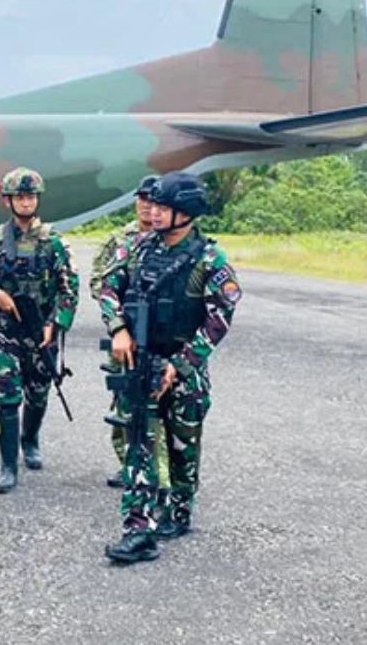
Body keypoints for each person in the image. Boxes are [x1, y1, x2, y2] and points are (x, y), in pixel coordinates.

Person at [98, 172, 241, 564]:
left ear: (187, 212)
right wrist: (118, 328)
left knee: (183, 448)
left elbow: (219, 318)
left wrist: (179, 366)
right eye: (153, 205)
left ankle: (179, 510)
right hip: (141, 362)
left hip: (184, 370)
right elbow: (108, 288)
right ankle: (138, 529)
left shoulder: (209, 259)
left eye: (164, 207)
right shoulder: (138, 248)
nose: (154, 212)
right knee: (138, 444)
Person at [0, 167, 78, 494]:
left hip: (41, 332)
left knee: (38, 392)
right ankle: (8, 465)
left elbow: (69, 288)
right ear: (8, 201)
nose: (25, 202)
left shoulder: (54, 242)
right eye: (19, 197)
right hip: (6, 331)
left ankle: (30, 440)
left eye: (30, 196)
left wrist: (55, 324)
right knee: (7, 395)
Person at [88, 175, 168, 491]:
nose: (148, 207)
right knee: (124, 402)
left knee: (158, 408)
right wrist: (119, 318)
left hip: (160, 338)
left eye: (154, 201)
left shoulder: (173, 242)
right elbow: (98, 281)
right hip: (124, 335)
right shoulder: (119, 241)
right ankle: (128, 463)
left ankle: (159, 475)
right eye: (143, 199)